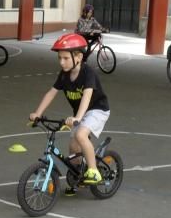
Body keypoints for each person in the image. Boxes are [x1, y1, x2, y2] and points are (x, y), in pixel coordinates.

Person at [28, 32, 111, 194]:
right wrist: (37, 113)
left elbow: (87, 97)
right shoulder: (64, 75)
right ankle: (78, 177)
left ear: (78, 57)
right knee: (73, 147)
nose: (61, 62)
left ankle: (93, 171)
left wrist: (78, 118)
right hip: (80, 114)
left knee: (80, 135)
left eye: (65, 58)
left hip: (97, 110)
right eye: (59, 58)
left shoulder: (88, 74)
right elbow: (51, 93)